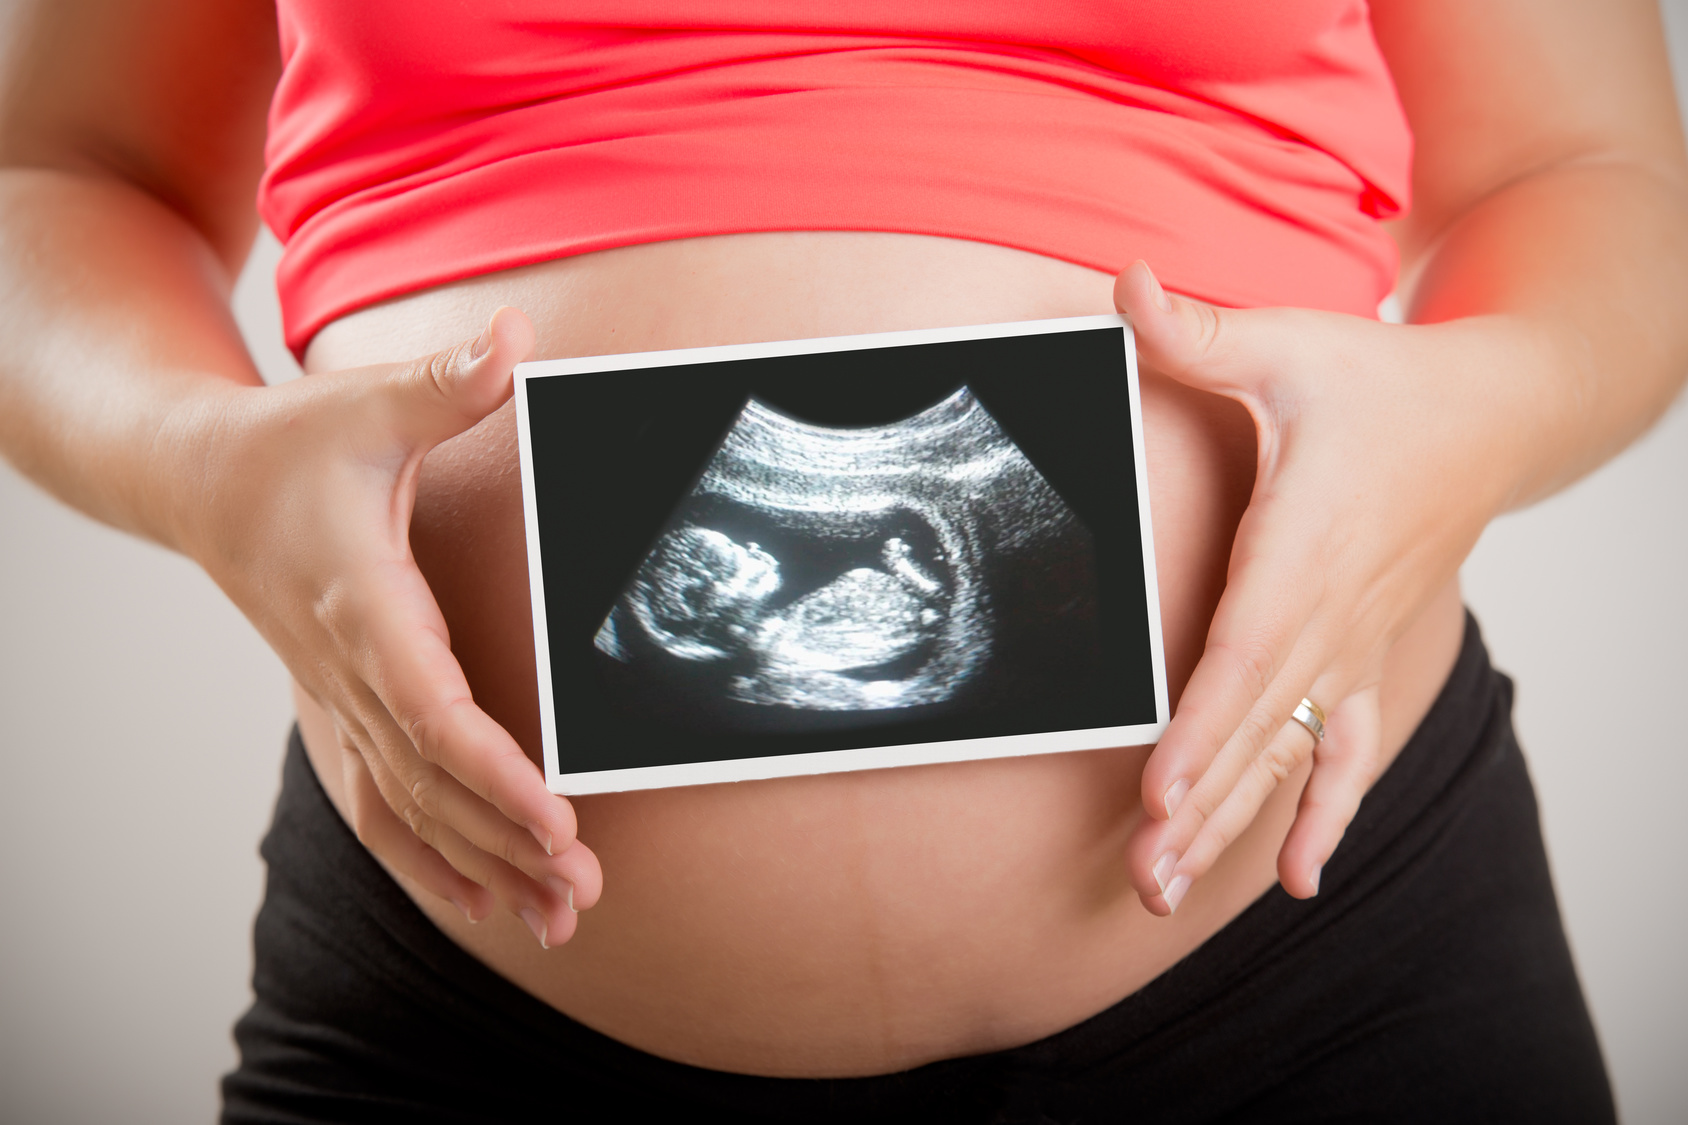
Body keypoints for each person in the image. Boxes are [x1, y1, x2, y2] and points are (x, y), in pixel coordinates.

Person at [1, 0, 1683, 1120]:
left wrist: (1468, 415)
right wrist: (199, 468)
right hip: (474, 974)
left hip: (1315, 950)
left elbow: (1592, 173)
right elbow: (66, 172)